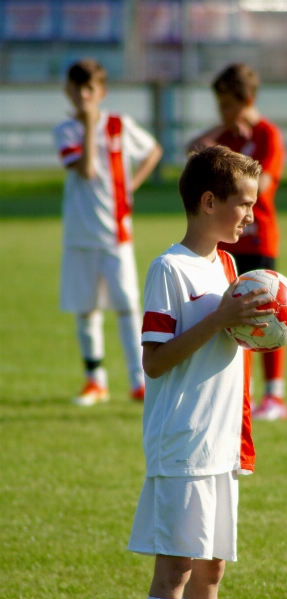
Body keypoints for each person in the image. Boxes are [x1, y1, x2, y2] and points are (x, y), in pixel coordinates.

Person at [128, 146, 272, 599]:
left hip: (221, 445)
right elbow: (156, 362)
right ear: (208, 202)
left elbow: (228, 340)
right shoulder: (169, 268)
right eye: (244, 204)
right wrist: (219, 320)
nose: (251, 216)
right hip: (184, 444)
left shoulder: (229, 264)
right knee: (175, 571)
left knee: (211, 572)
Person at [53, 59, 162, 405]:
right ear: (67, 91)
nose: (83, 97)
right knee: (86, 308)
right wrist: (87, 127)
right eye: (77, 90)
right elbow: (85, 170)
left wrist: (131, 185)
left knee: (128, 305)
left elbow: (153, 150)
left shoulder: (119, 124)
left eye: (90, 90)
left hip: (117, 232)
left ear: (102, 92)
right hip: (80, 234)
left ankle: (138, 380)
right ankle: (95, 380)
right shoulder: (66, 129)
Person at [187, 63, 287, 421]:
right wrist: (221, 129)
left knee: (270, 314)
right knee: (229, 319)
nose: (223, 113)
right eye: (219, 107)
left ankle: (275, 395)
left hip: (259, 239)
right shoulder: (225, 137)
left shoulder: (267, 135)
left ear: (247, 100)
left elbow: (262, 187)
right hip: (227, 243)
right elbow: (192, 151)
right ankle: (235, 393)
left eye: (228, 105)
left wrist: (239, 156)